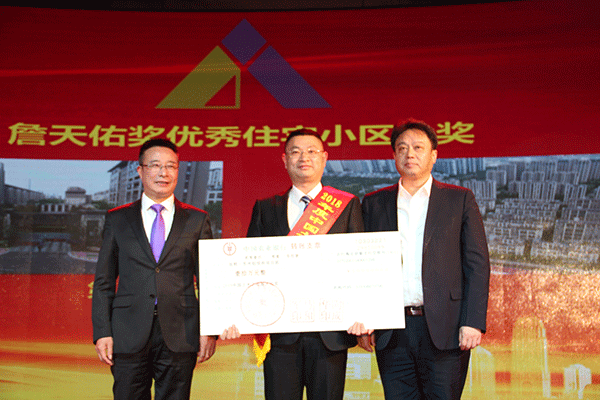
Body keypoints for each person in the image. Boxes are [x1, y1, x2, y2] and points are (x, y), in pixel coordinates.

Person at [224, 128, 364, 400]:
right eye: (295, 152)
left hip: (330, 334)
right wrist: (233, 315)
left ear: (324, 158)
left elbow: (357, 266)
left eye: (312, 151)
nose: (304, 158)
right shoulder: (266, 207)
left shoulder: (347, 206)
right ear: (285, 159)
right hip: (281, 334)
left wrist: (364, 313)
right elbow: (249, 269)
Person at [359, 119, 490, 400]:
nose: (410, 154)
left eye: (418, 147)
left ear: (434, 155)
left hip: (446, 328)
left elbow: (477, 265)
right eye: (402, 148)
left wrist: (473, 321)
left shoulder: (459, 200)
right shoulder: (374, 203)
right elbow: (362, 267)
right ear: (394, 156)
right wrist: (364, 318)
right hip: (392, 330)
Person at [92, 138, 216, 400]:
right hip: (128, 331)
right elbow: (104, 280)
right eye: (156, 165)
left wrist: (209, 330)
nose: (164, 173)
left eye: (171, 166)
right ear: (140, 170)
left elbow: (209, 281)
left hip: (180, 331)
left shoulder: (197, 219)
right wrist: (102, 332)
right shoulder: (118, 218)